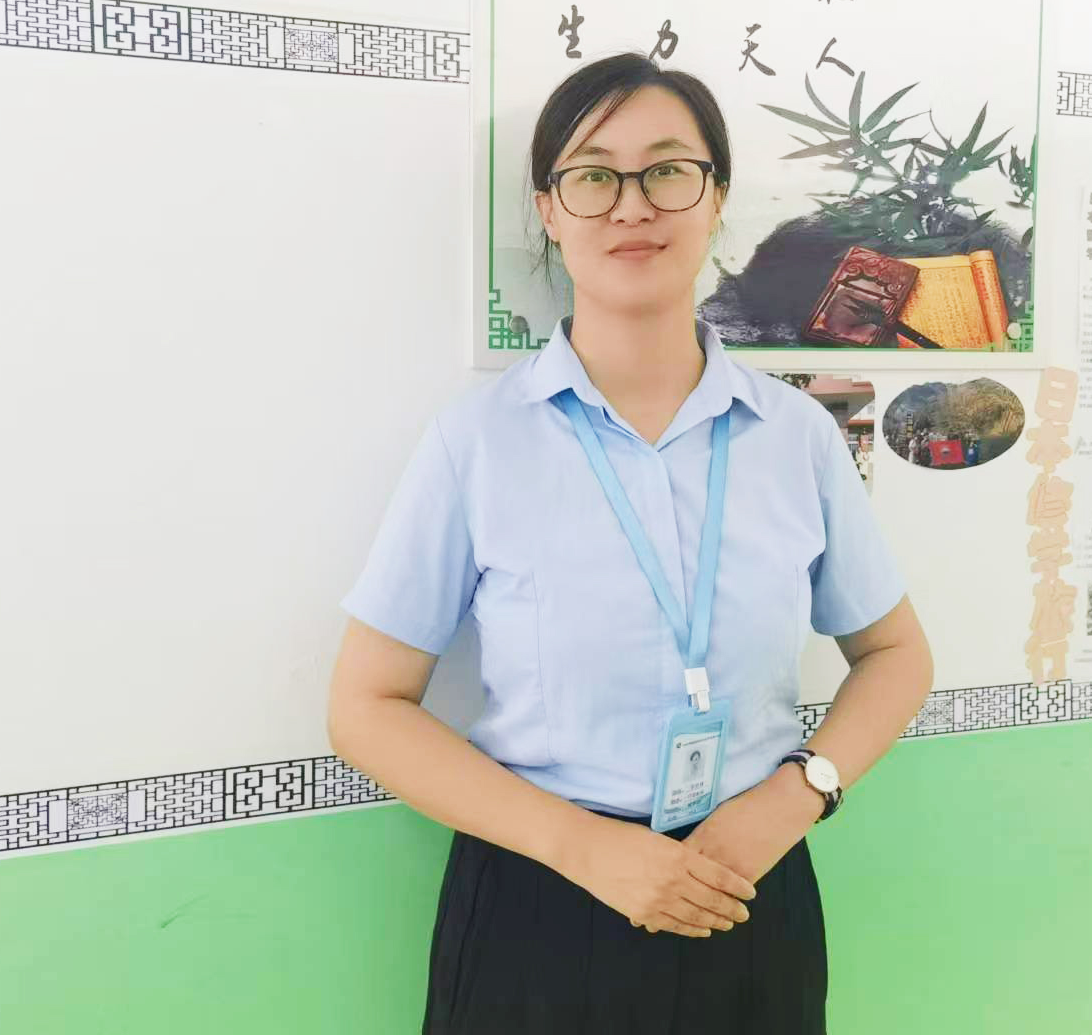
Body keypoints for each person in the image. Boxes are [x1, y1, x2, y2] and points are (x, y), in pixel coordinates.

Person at [327, 53, 934, 1034]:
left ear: (716, 197)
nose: (631, 204)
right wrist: (581, 847)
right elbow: (365, 706)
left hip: (748, 887)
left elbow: (896, 652)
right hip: (537, 902)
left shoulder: (796, 436)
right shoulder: (478, 442)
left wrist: (799, 794)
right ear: (548, 209)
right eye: (593, 175)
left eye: (667, 170)